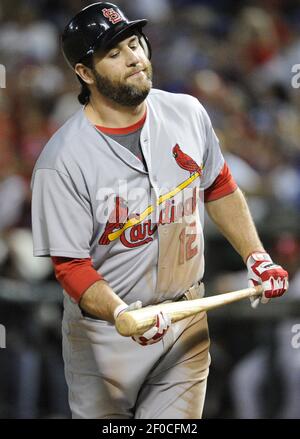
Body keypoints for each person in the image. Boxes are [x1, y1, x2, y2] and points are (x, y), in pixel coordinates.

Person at [31, 2, 289, 419]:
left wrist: (255, 255)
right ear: (84, 73)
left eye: (134, 44)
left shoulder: (186, 113)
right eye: (114, 53)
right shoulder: (62, 159)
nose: (134, 57)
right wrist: (120, 312)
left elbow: (218, 186)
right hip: (105, 337)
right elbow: (70, 265)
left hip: (186, 318)